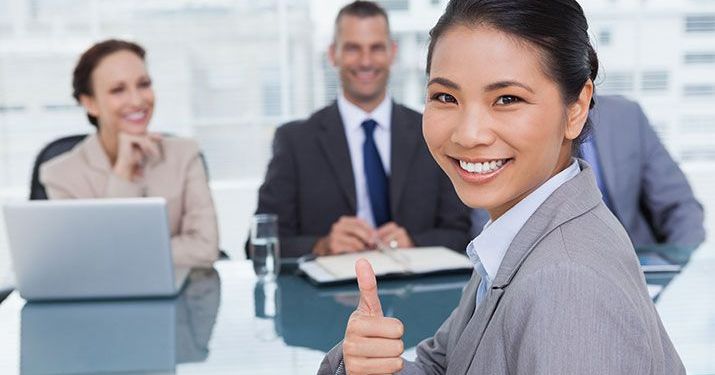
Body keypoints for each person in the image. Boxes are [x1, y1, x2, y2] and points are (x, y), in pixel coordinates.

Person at [318, 0, 685, 374]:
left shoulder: (567, 284)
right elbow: (447, 366)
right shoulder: (516, 229)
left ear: (575, 108)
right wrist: (370, 365)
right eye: (446, 97)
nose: (468, 134)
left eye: (507, 99)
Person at [252, 1, 471, 258]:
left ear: (392, 52)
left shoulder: (433, 132)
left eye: (376, 48)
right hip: (331, 294)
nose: (366, 61)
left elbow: (461, 233)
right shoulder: (295, 141)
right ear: (333, 54)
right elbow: (259, 242)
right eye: (353, 49)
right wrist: (321, 246)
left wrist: (414, 242)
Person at [40, 39, 219, 268]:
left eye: (143, 84)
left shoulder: (185, 154)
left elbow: (205, 249)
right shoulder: (60, 175)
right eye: (118, 90)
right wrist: (123, 174)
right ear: (90, 103)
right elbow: (84, 262)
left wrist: (117, 252)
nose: (137, 100)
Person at [472, 95, 706, 249]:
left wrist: (676, 267)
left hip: (639, 264)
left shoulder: (627, 116)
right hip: (551, 272)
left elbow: (680, 206)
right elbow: (491, 225)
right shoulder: (505, 130)